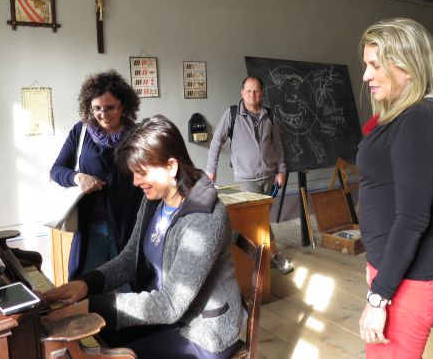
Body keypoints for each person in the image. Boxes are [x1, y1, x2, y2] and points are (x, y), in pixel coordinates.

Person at [43, 115, 243, 359]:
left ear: (171, 166)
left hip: (202, 330)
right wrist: (87, 284)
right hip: (169, 315)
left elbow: (170, 305)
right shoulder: (154, 201)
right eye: (133, 173)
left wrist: (93, 306)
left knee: (108, 353)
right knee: (98, 338)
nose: (136, 182)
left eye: (141, 173)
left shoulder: (205, 218)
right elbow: (129, 259)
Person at [356, 18, 433, 358]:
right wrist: (376, 265)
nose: (366, 76)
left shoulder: (421, 119)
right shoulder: (401, 115)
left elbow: (413, 217)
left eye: (375, 65)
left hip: (414, 280)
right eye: (366, 65)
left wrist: (378, 297)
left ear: (409, 68)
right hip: (396, 271)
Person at [50, 70, 143, 279]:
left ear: (123, 105)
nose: (103, 114)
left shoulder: (138, 135)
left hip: (128, 227)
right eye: (97, 108)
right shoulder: (81, 131)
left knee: (126, 287)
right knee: (86, 287)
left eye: (110, 108)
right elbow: (57, 170)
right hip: (90, 229)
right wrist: (78, 178)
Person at [206, 76, 293, 274]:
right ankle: (273, 256)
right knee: (258, 220)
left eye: (256, 91)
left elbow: (278, 145)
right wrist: (212, 169)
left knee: (261, 220)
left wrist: (281, 170)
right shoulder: (232, 114)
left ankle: (258, 257)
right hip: (247, 179)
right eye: (248, 91)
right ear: (242, 93)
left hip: (269, 177)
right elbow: (216, 142)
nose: (252, 95)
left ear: (261, 93)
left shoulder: (269, 115)